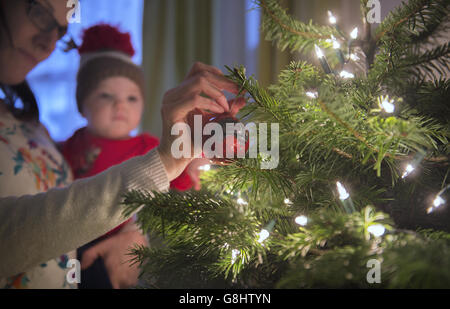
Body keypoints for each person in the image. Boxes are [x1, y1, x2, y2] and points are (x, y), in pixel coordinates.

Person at [0, 0, 245, 288]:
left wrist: (188, 165)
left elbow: (170, 196)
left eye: (60, 30)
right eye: (39, 13)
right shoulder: (70, 144)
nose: (48, 44)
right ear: (82, 103)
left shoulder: (31, 127)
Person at [60, 24, 195, 289]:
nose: (120, 105)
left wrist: (194, 162)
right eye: (105, 95)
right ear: (81, 104)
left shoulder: (149, 145)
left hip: (119, 237)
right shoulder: (71, 144)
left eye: (132, 98)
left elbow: (179, 178)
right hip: (71, 235)